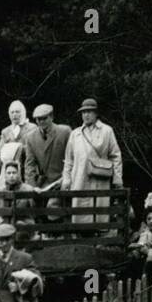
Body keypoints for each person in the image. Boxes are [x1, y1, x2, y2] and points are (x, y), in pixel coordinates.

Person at [61, 97, 122, 227]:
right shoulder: (75, 134)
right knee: (79, 215)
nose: (86, 115)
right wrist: (66, 180)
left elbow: (115, 156)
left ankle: (99, 242)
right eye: (83, 112)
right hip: (79, 179)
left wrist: (117, 179)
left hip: (99, 179)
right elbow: (68, 160)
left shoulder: (106, 131)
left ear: (96, 113)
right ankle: (80, 242)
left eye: (89, 111)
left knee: (99, 214)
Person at [0, 100, 33, 173]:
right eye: (12, 112)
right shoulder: (6, 131)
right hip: (10, 169)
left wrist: (17, 147)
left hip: (28, 166)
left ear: (23, 112)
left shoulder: (32, 128)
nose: (14, 114)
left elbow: (34, 148)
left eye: (17, 112)